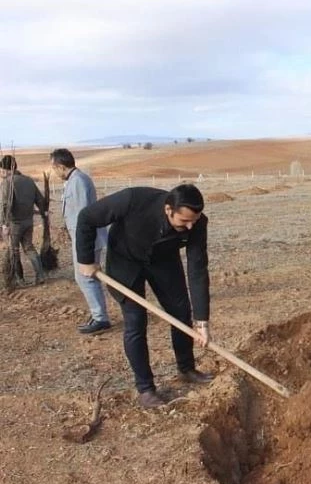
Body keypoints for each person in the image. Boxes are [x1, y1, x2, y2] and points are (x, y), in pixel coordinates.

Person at [75, 183, 214, 408]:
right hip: (125, 262)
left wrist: (202, 322)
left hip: (163, 262)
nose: (190, 226)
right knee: (136, 321)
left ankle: (186, 368)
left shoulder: (197, 224)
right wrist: (86, 259)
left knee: (180, 312)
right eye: (184, 221)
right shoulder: (133, 199)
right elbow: (87, 217)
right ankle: (146, 389)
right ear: (169, 210)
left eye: (194, 220)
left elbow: (197, 270)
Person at [50, 148, 112, 334]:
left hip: (86, 239)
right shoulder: (74, 180)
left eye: (54, 168)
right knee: (87, 277)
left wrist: (84, 242)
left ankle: (100, 318)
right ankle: (98, 315)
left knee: (85, 277)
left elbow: (85, 216)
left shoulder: (78, 181)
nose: (54, 172)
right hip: (82, 238)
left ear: (60, 166)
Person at [0, 155, 46, 285]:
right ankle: (40, 275)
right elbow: (40, 199)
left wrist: (3, 224)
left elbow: (4, 205)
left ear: (6, 169)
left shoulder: (7, 183)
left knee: (14, 250)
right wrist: (44, 212)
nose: (1, 173)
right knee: (29, 248)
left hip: (14, 223)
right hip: (28, 222)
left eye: (2, 170)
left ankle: (19, 279)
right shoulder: (29, 181)